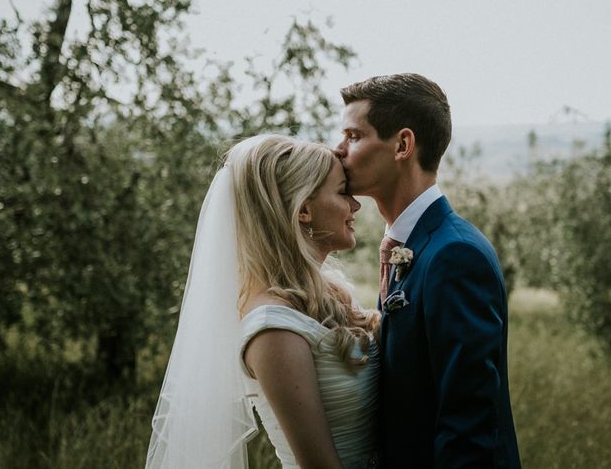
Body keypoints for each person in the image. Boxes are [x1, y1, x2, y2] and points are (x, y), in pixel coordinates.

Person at [146, 135, 381, 469]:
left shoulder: (333, 293)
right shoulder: (272, 328)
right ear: (303, 210)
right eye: (343, 192)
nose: (355, 205)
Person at [335, 73, 521, 469]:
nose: (338, 150)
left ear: (402, 145)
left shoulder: (455, 255)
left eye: (353, 136)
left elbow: (469, 424)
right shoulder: (411, 245)